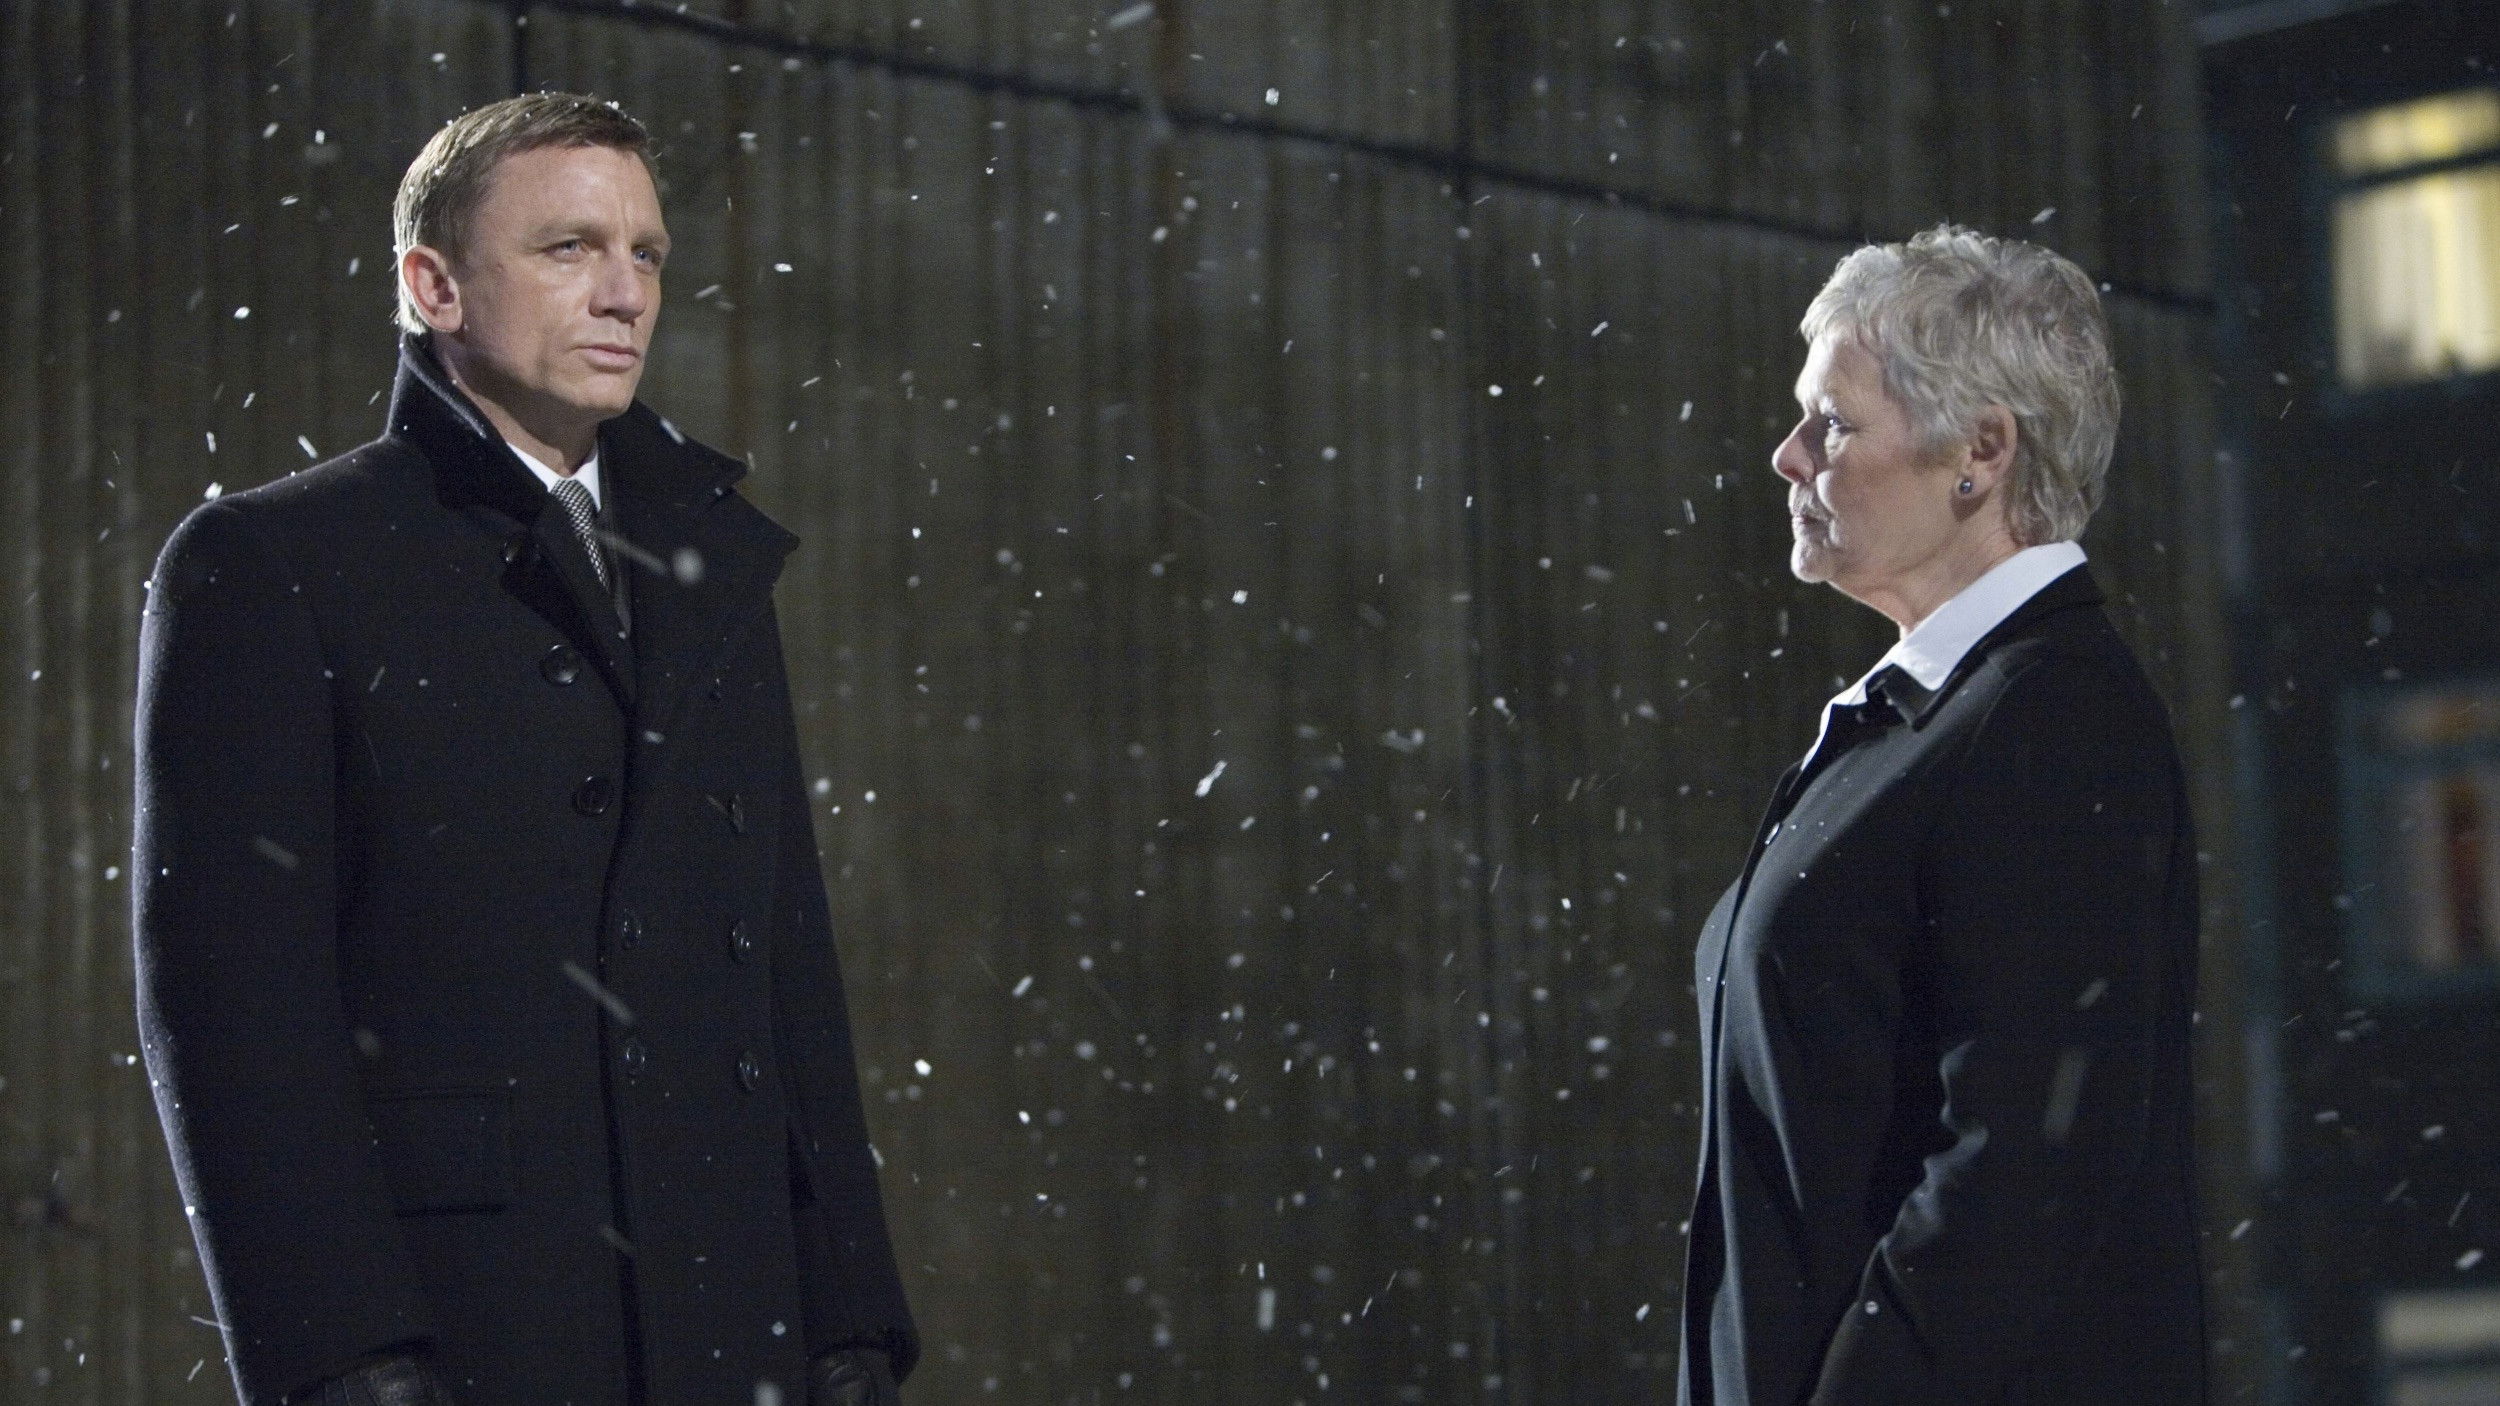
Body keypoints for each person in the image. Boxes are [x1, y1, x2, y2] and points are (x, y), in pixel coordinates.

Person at [134, 92, 915, 1406]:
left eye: (646, 252)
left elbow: (788, 968)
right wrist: (346, 1360)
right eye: (569, 247)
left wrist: (850, 1320)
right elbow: (232, 1005)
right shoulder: (278, 562)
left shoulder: (712, 564)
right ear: (433, 285)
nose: (625, 292)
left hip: (735, 1314)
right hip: (477, 1313)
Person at [1678, 225, 2205, 1404]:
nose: (1787, 456)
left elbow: (2025, 1165)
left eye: (1832, 423)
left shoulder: (2050, 715)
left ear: (1979, 450)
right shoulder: (1931, 721)